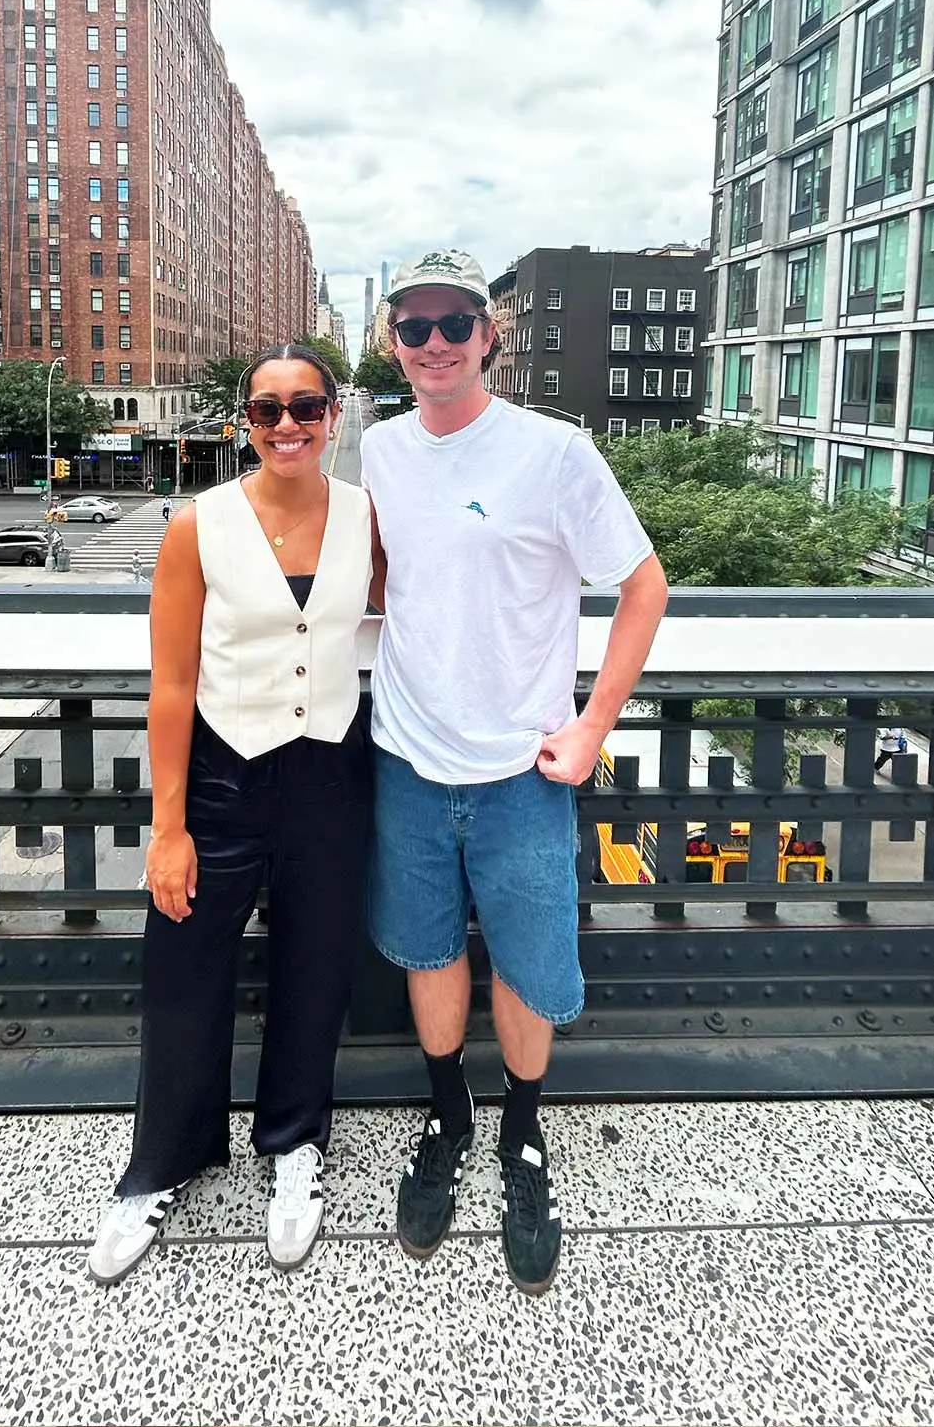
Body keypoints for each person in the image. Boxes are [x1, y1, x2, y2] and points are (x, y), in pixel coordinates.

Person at [360, 250, 668, 1298]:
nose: (435, 343)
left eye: (455, 323)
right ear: (391, 341)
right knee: (429, 951)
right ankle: (448, 1116)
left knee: (530, 970)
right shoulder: (383, 450)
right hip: (406, 757)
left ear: (489, 333)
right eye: (415, 326)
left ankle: (523, 1142)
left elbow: (643, 585)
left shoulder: (555, 452)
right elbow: (393, 577)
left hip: (523, 773)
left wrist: (591, 728)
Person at [89, 344, 381, 1285]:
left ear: (333, 415)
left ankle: (295, 1145)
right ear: (243, 421)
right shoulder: (197, 525)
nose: (287, 425)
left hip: (332, 768)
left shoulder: (367, 517)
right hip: (222, 773)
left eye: (305, 406)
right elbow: (170, 682)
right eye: (267, 410)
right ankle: (161, 1163)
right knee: (182, 959)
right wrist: (168, 826)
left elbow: (426, 607)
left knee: (315, 964)